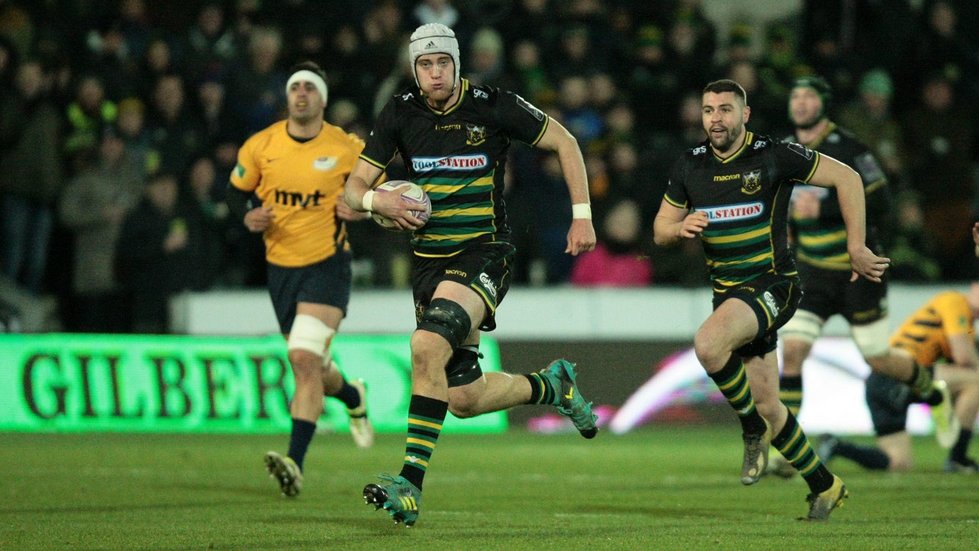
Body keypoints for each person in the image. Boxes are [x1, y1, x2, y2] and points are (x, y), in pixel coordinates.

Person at [342, 23, 599, 527]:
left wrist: (583, 214)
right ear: (414, 70)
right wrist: (379, 199)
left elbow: (565, 141)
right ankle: (553, 386)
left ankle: (409, 484)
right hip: (429, 264)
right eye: (425, 65)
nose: (435, 73)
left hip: (484, 252)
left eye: (443, 63)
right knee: (462, 398)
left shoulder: (492, 104)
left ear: (457, 65)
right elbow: (352, 188)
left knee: (424, 347)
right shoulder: (399, 112)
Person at [652, 79, 890, 520]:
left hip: (773, 283)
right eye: (708, 110)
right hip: (729, 295)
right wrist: (679, 228)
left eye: (725, 109)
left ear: (745, 114)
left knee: (707, 345)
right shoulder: (689, 165)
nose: (715, 119)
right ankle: (825, 484)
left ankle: (748, 431)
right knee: (767, 403)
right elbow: (660, 228)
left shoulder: (773, 154)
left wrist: (855, 247)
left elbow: (848, 177)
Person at [770, 76, 943, 476]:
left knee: (878, 359)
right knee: (793, 353)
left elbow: (881, 199)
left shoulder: (850, 148)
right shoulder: (783, 152)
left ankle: (933, 392)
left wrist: (825, 207)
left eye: (809, 96)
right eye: (795, 95)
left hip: (857, 272)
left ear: (824, 104)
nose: (800, 102)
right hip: (812, 272)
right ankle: (787, 449)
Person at [226, 61, 374, 499]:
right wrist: (247, 215)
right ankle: (351, 395)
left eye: (311, 87)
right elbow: (235, 192)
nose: (302, 93)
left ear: (323, 98)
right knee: (314, 365)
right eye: (296, 88)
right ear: (288, 97)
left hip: (328, 265)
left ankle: (295, 462)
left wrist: (362, 208)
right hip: (280, 269)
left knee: (302, 360)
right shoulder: (261, 146)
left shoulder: (347, 148)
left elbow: (377, 196)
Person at [820, 284, 979, 474]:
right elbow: (963, 357)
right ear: (974, 287)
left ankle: (837, 446)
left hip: (878, 383)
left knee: (898, 463)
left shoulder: (966, 324)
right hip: (902, 372)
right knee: (975, 381)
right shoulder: (956, 301)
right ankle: (958, 458)